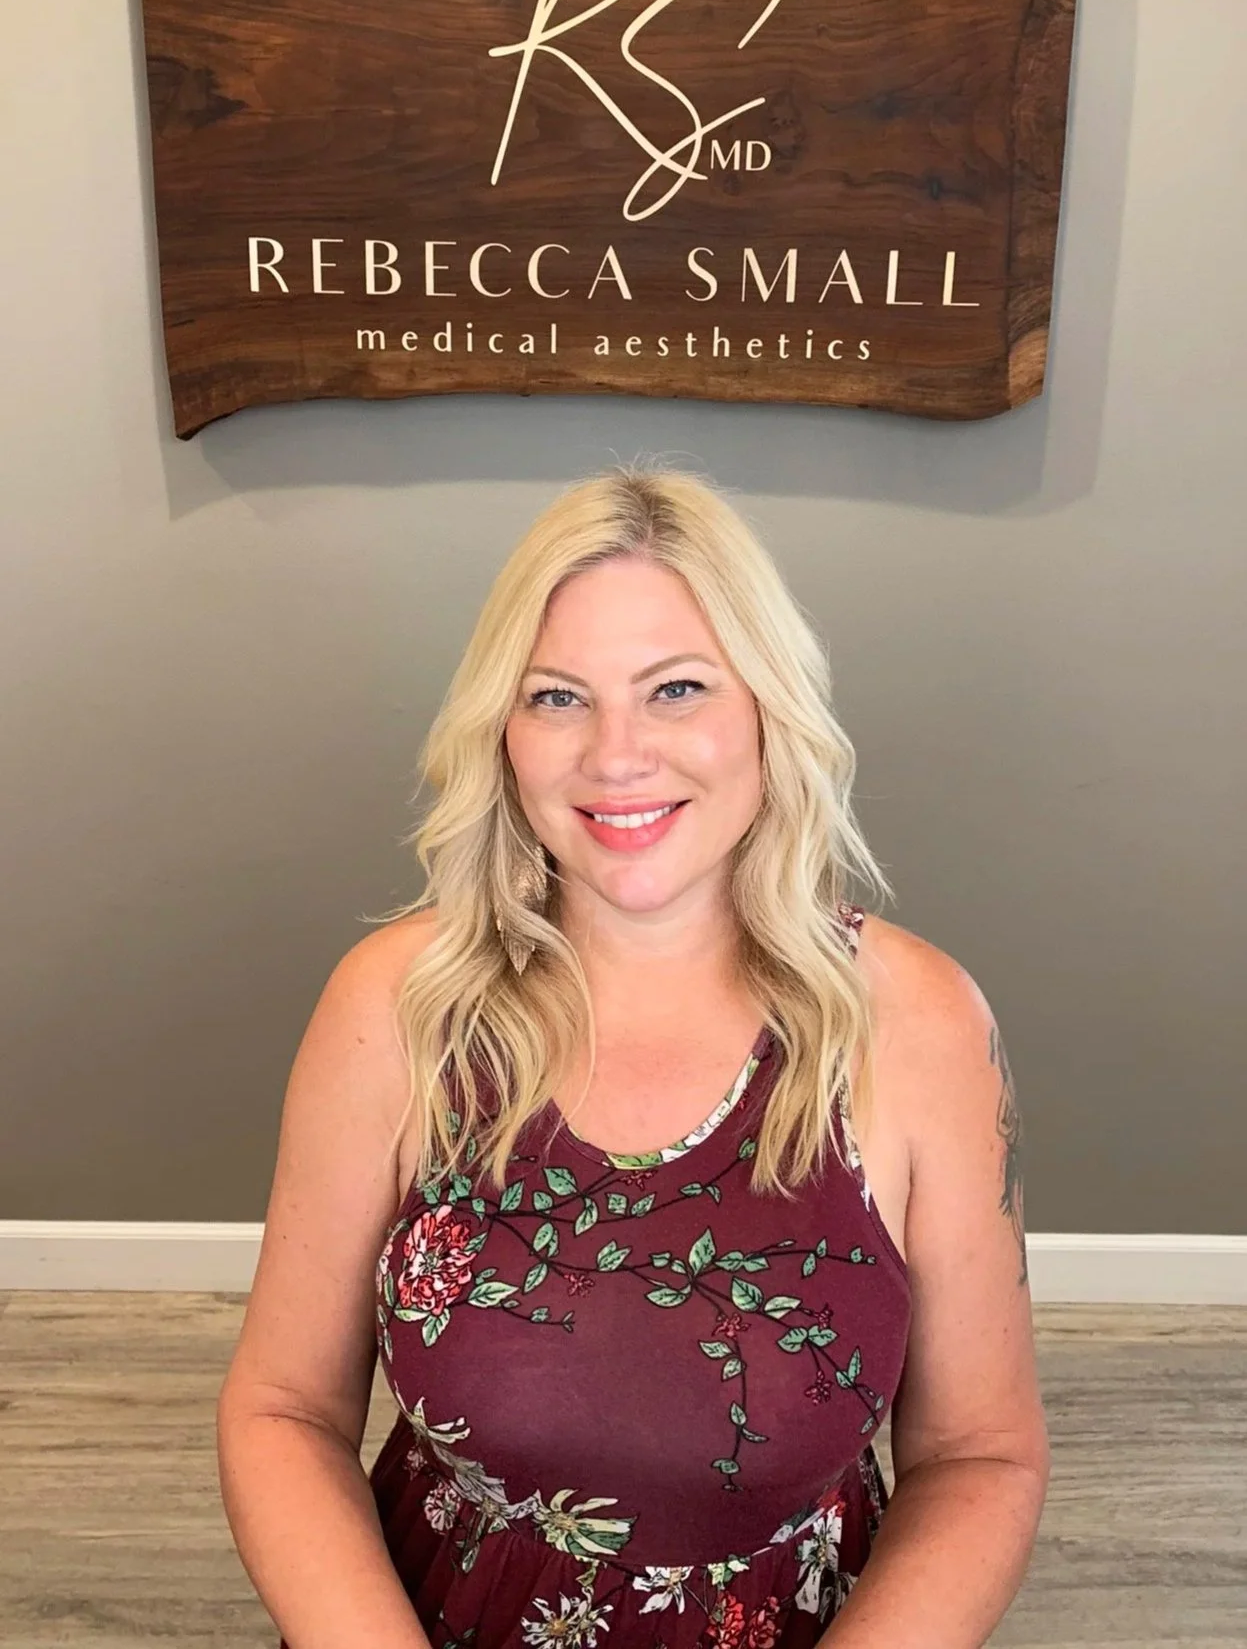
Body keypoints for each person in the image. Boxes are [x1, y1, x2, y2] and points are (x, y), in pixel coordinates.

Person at [217, 465, 1049, 1649]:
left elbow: (980, 1452)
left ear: (764, 709)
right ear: (503, 733)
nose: (615, 756)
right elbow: (283, 1408)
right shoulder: (399, 1006)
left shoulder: (919, 1025)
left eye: (675, 689)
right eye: (557, 697)